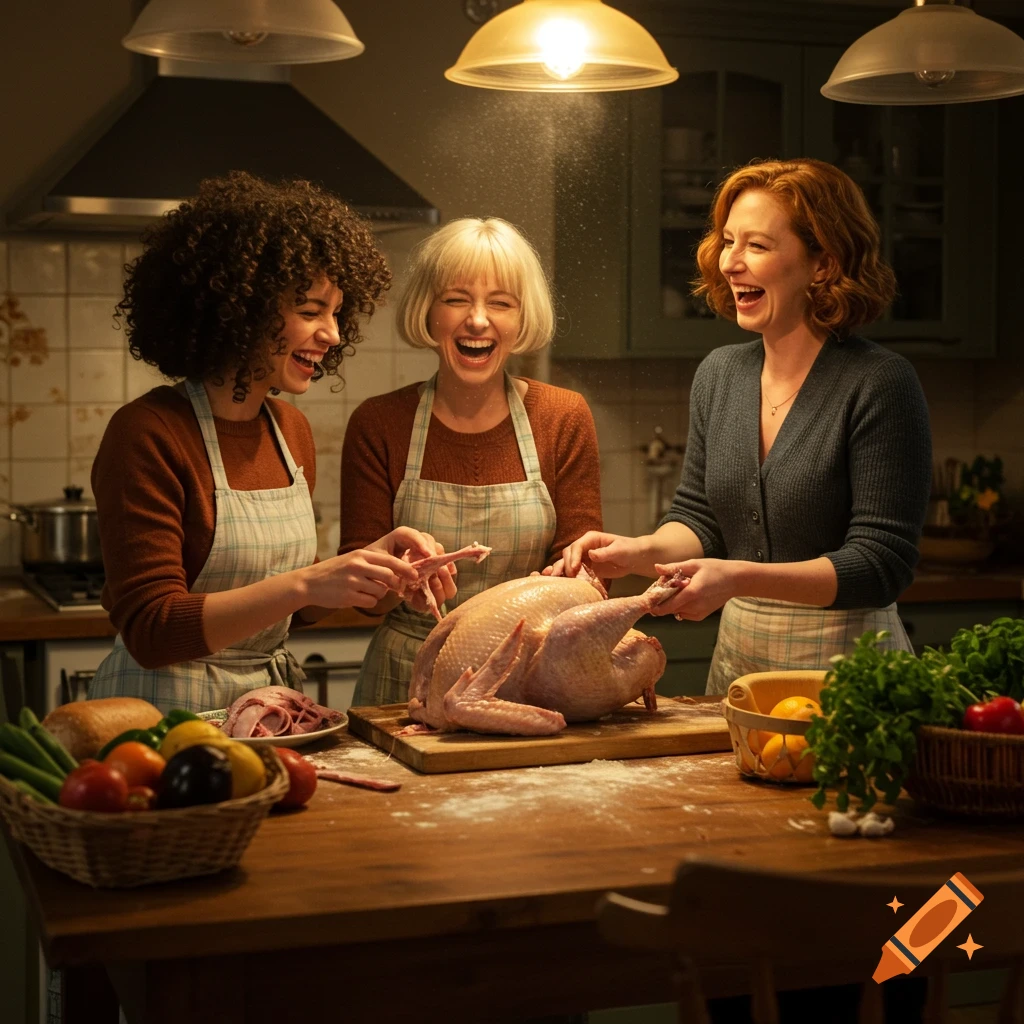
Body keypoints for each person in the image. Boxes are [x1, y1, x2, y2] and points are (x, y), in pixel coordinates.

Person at [555, 158, 932, 694]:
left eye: (756, 245)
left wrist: (736, 577)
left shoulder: (879, 383)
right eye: (728, 241)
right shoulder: (721, 374)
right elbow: (701, 518)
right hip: (739, 659)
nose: (730, 263)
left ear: (822, 264)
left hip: (851, 671)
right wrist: (638, 552)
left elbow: (881, 564)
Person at [88, 171, 444, 713]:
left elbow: (286, 614)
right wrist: (306, 583)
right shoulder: (148, 433)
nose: (332, 334)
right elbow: (152, 629)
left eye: (336, 312)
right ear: (241, 307)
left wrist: (372, 568)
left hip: (264, 710)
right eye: (310, 312)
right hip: (159, 720)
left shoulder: (289, 432)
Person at [340, 217, 603, 706]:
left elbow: (586, 578)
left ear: (521, 318)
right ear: (428, 310)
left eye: (500, 302)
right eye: (457, 299)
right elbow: (362, 598)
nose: (478, 320)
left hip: (525, 675)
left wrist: (572, 578)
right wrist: (397, 577)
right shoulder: (380, 423)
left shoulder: (562, 417)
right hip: (406, 679)